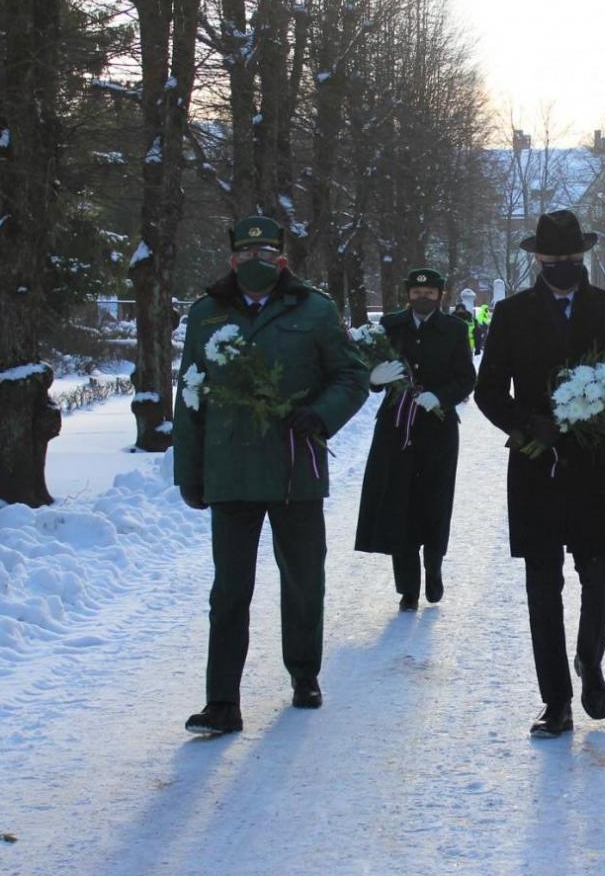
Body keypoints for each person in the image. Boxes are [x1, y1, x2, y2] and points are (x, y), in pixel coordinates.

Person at [173, 215, 370, 735]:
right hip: (230, 469)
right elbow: (190, 392)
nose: (256, 262)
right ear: (232, 258)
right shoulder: (207, 314)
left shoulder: (315, 309)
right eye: (246, 254)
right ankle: (222, 702)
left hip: (293, 467)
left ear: (281, 260)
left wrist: (321, 416)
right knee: (229, 591)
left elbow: (352, 376)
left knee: (304, 579)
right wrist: (188, 470)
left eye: (266, 255)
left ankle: (304, 674)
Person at [475, 209, 605, 739]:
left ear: (584, 257)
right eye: (553, 258)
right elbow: (488, 391)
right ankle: (555, 700)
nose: (562, 266)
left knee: (600, 576)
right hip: (536, 465)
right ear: (537, 258)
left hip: (596, 465)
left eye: (571, 258)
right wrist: (524, 424)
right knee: (542, 585)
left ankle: (590, 659)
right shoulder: (511, 313)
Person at [354, 268, 477, 611]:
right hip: (395, 426)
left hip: (438, 427)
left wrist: (441, 396)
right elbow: (367, 367)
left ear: (440, 295)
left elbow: (466, 378)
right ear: (408, 294)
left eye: (430, 293)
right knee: (399, 502)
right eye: (417, 293)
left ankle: (434, 565)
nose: (423, 298)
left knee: (434, 500)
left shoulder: (454, 329)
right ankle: (407, 586)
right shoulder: (390, 325)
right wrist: (374, 378)